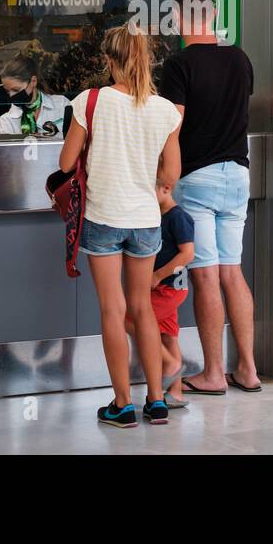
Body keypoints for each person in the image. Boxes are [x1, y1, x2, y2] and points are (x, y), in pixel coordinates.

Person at [58, 25, 182, 428]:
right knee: (143, 308)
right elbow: (172, 172)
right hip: (146, 220)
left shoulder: (90, 102)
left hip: (104, 217)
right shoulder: (164, 109)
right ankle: (157, 400)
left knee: (114, 310)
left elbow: (65, 163)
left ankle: (122, 404)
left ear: (109, 61)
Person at [157, 0, 260, 396]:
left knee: (205, 277)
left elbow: (172, 128)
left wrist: (162, 179)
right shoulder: (240, 59)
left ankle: (215, 373)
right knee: (232, 272)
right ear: (215, 13)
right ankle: (248, 370)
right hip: (237, 176)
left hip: (196, 179)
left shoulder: (179, 66)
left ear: (179, 17)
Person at [126, 182, 196, 410]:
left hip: (168, 289)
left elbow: (188, 254)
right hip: (164, 288)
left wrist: (157, 275)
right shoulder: (158, 214)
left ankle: (170, 363)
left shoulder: (178, 217)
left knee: (129, 319)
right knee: (168, 336)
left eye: (148, 188)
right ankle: (175, 393)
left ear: (166, 188)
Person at [0, 54, 71, 137]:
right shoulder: (6, 120)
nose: (11, 95)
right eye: (7, 91)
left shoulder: (62, 104)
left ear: (33, 81)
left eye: (16, 90)